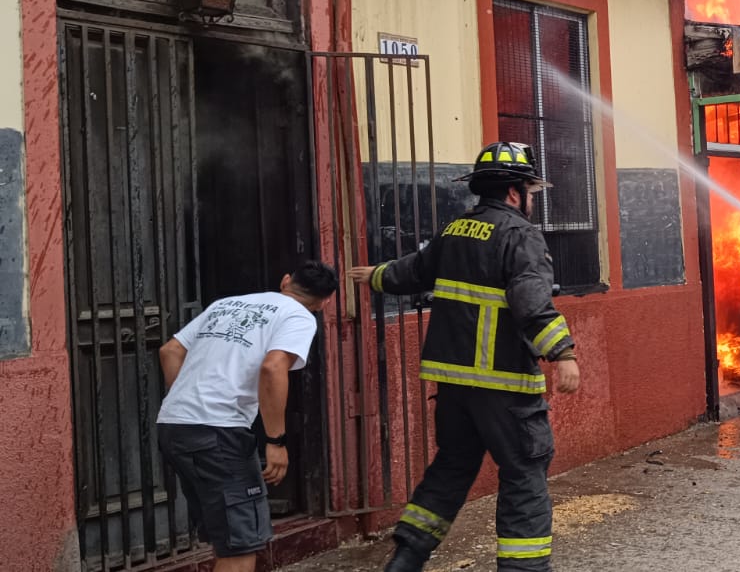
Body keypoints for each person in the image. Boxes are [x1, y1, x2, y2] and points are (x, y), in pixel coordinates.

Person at [349, 142, 579, 572]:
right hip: (504, 384)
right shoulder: (520, 234)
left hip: (454, 386)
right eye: (530, 190)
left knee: (453, 465)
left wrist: (375, 276)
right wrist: (562, 352)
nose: (531, 199)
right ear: (515, 192)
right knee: (525, 473)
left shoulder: (455, 230)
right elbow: (531, 299)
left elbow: (413, 271)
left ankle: (406, 558)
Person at [156, 262, 339, 572]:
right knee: (241, 545)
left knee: (227, 536)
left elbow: (170, 351)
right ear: (325, 301)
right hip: (220, 433)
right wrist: (275, 441)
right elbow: (273, 367)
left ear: (285, 281)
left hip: (174, 425)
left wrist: (190, 402)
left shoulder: (225, 304)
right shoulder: (298, 316)